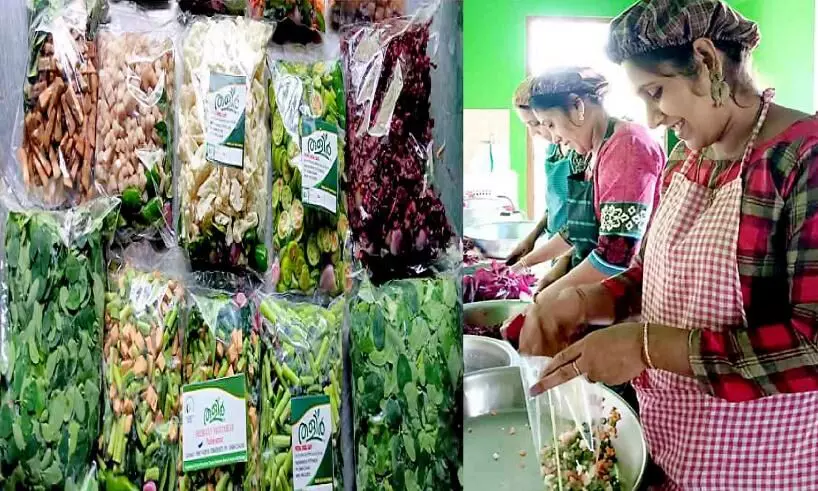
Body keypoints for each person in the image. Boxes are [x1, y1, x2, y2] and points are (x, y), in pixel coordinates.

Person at [520, 1, 818, 489]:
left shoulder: (802, 161)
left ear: (706, 60)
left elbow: (812, 345)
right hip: (672, 444)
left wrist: (646, 347)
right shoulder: (686, 158)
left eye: (656, 93)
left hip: (756, 465)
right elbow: (657, 273)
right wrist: (585, 301)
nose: (652, 118)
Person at [512, 67, 665, 297]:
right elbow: (578, 229)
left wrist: (547, 298)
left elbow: (616, 256)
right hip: (599, 287)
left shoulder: (628, 146)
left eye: (551, 124)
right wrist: (523, 265)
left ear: (578, 106)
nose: (554, 137)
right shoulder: (592, 151)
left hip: (630, 293)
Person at [506, 75, 577, 279]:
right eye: (527, 125)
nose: (533, 133)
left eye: (536, 123)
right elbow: (554, 206)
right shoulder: (553, 150)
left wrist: (527, 262)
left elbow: (583, 222)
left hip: (576, 254)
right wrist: (532, 238)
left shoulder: (579, 151)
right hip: (555, 249)